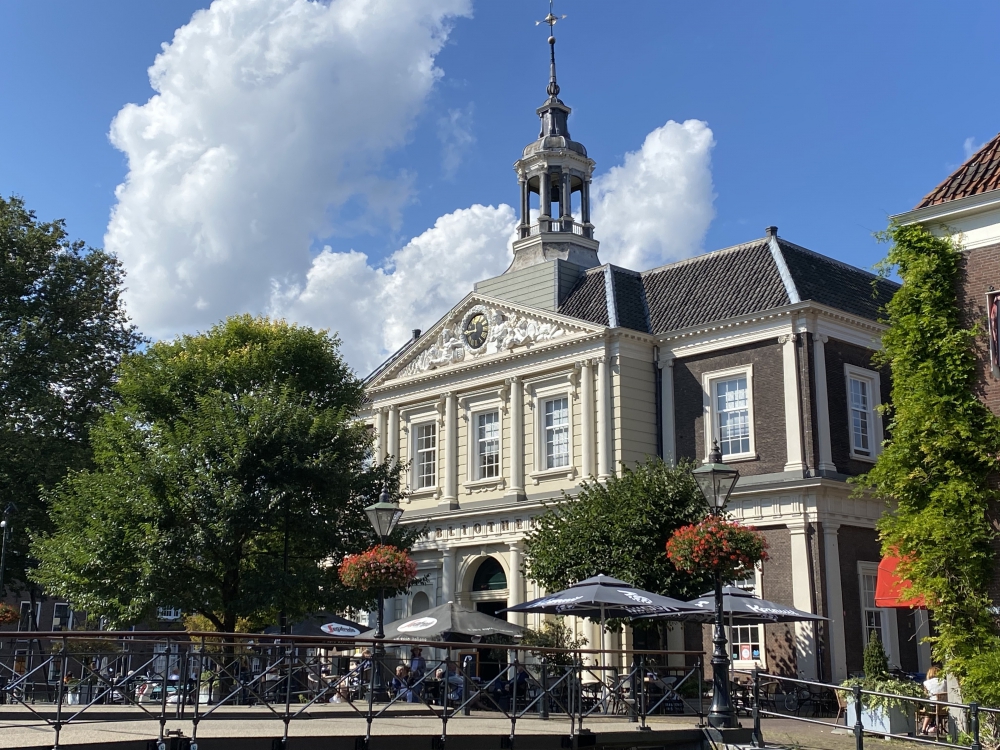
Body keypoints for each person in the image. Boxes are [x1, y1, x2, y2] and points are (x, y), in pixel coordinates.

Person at [921, 666, 947, 735]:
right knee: (934, 708)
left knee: (928, 709)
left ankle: (923, 729)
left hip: (933, 706)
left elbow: (925, 695)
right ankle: (935, 726)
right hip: (945, 706)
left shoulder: (926, 683)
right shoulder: (945, 682)